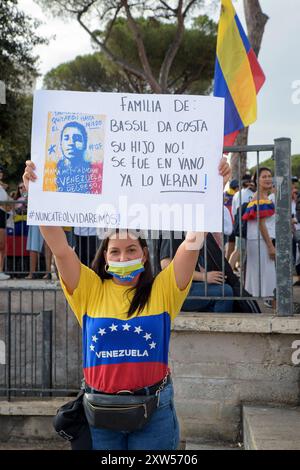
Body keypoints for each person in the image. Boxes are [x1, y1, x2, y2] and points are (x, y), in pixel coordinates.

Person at [23, 157, 230, 451]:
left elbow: (193, 241)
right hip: (99, 414)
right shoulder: (88, 289)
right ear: (105, 259)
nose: (123, 258)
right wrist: (37, 195)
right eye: (116, 252)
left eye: (131, 249)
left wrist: (215, 189)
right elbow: (59, 246)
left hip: (155, 413)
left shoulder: (164, 290)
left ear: (144, 255)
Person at [242, 167, 276, 306]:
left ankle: (273, 304)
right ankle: (275, 305)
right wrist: (270, 246)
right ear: (257, 180)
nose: (268, 178)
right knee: (268, 277)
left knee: (265, 277)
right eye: (264, 176)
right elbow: (261, 224)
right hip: (260, 241)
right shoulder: (259, 198)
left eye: (269, 176)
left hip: (259, 240)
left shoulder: (263, 196)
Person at [56, 121, 91, 193]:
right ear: (61, 143)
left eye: (77, 138)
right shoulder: (52, 170)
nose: (71, 143)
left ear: (85, 144)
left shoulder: (94, 171)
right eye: (66, 138)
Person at [0, 165, 10, 280]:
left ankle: (0, 270)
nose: (0, 173)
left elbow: (8, 204)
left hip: (2, 215)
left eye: (1, 172)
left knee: (2, 245)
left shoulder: (3, 187)